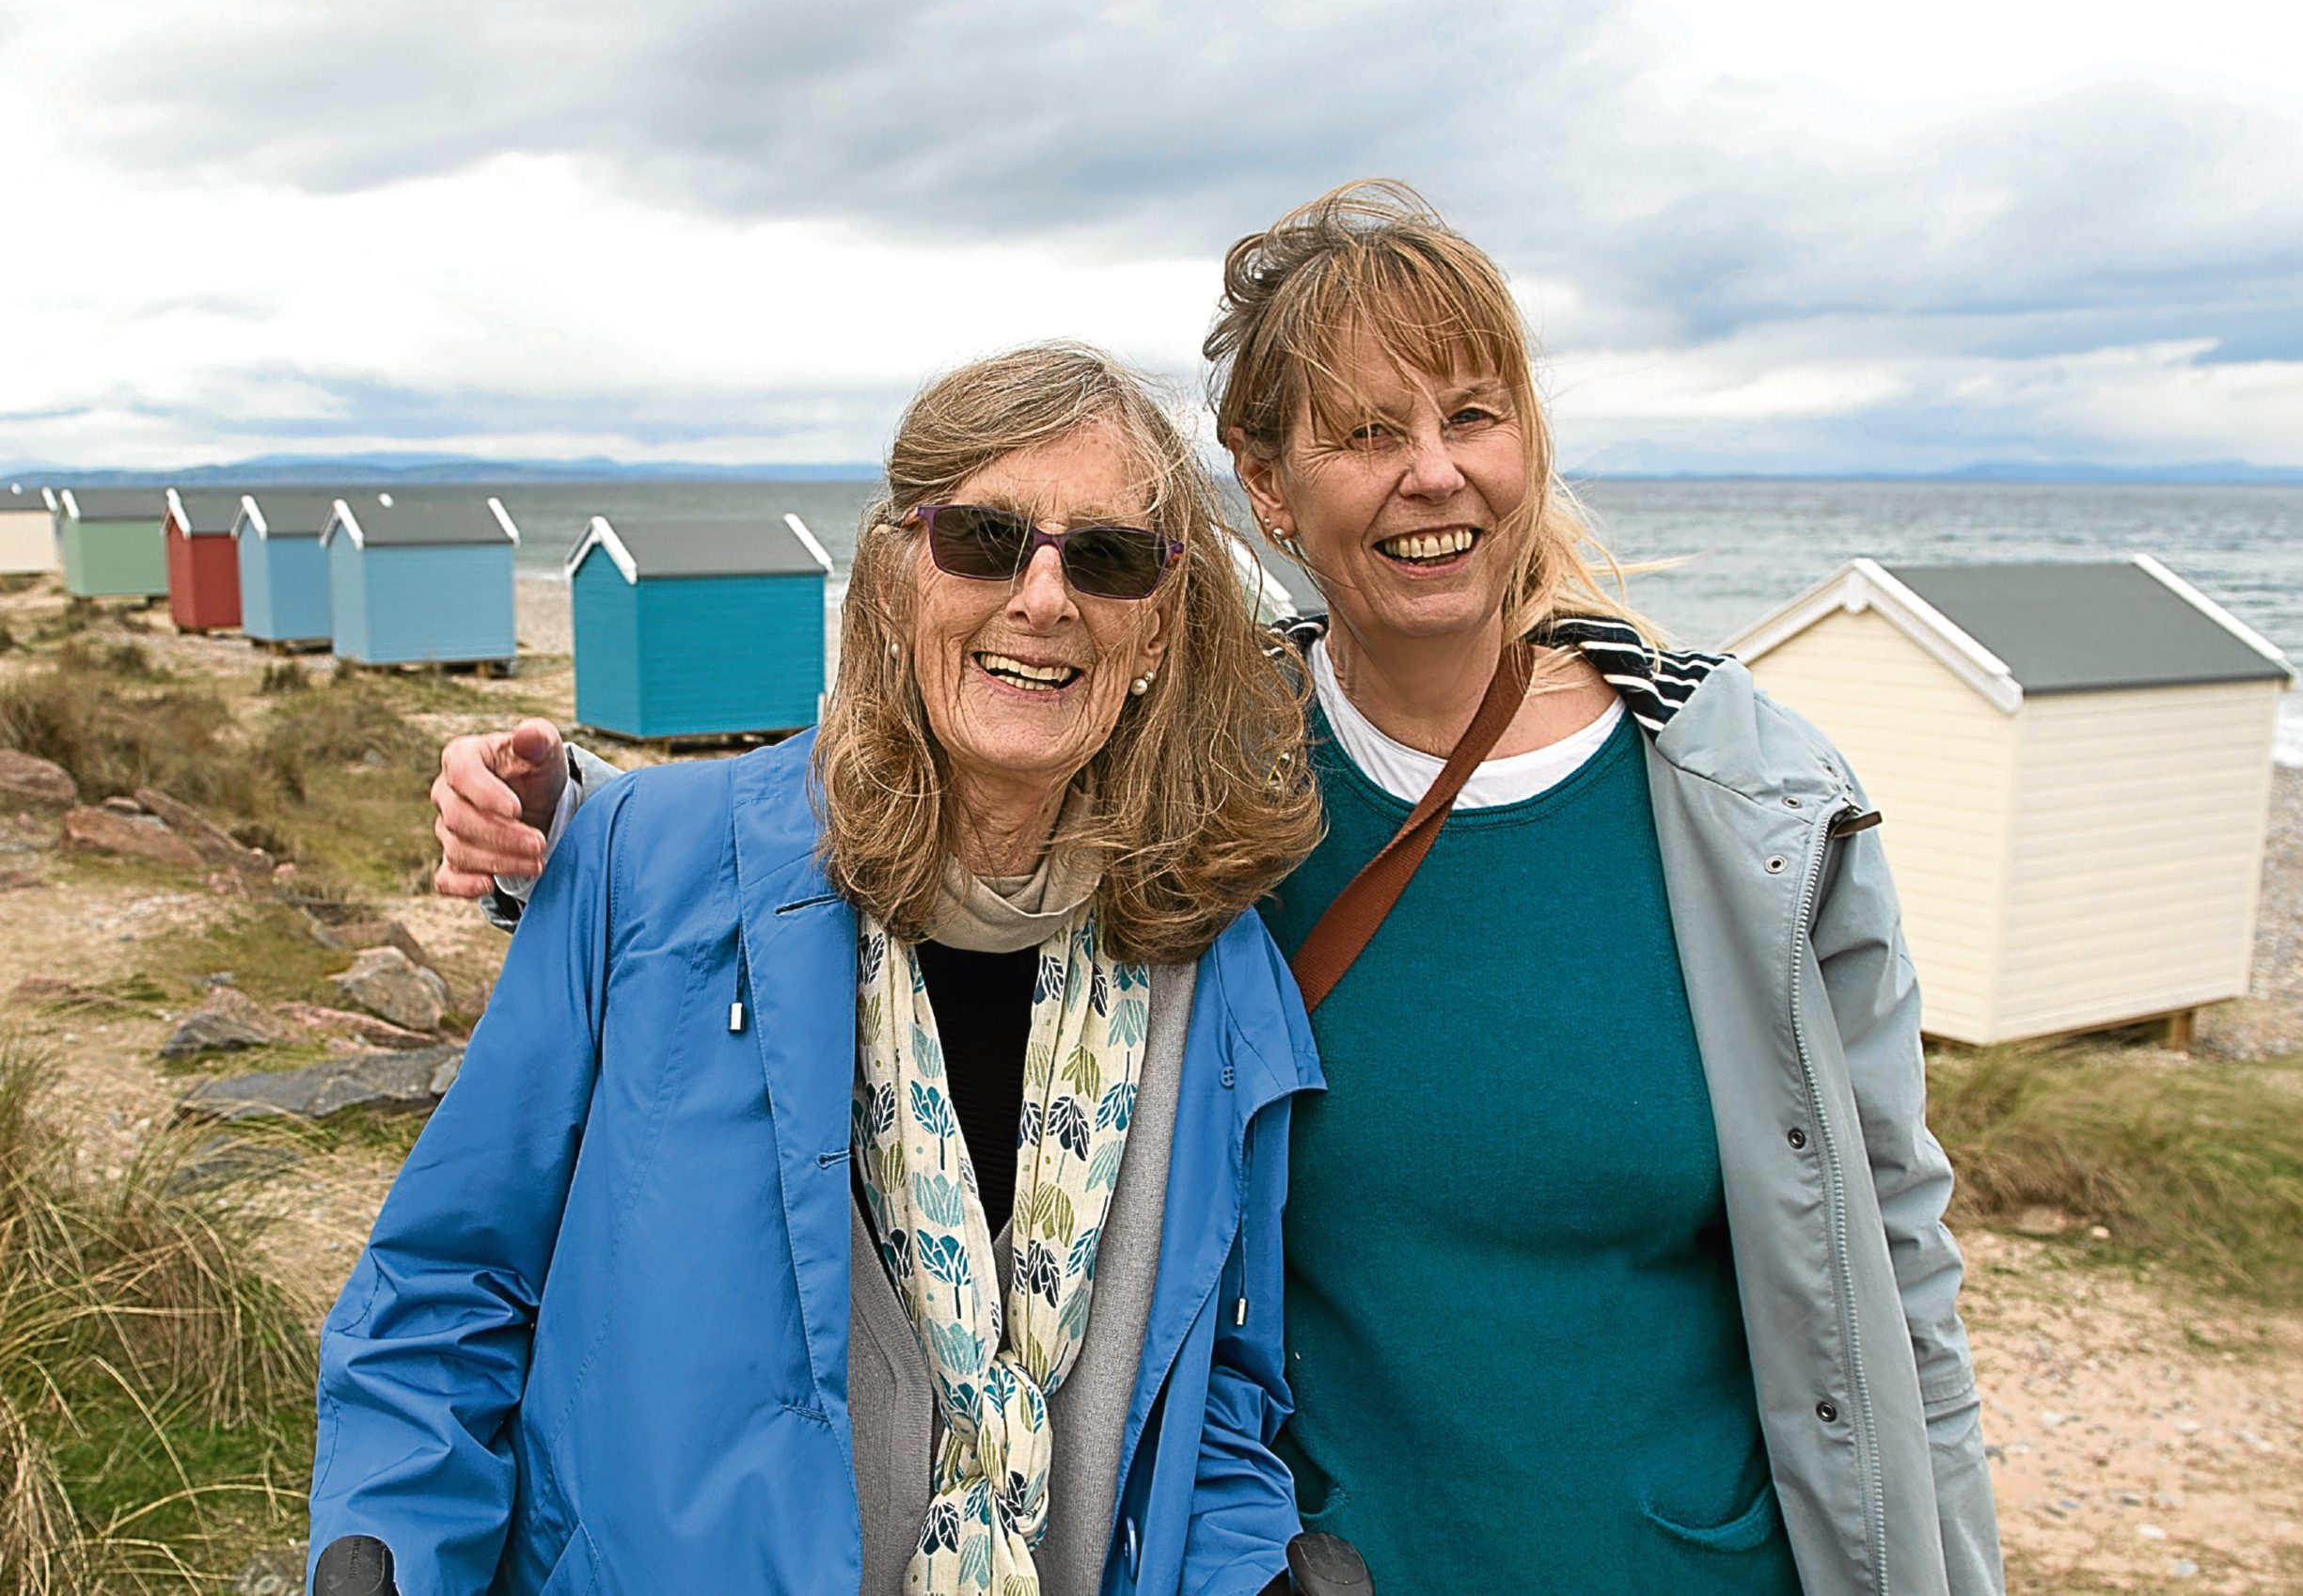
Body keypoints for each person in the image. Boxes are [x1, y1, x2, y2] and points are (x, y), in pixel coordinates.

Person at [434, 182, 2004, 1595]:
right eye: (1366, 431)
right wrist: (568, 834)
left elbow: (1892, 1275)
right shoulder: (1194, 766)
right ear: (1261, 483)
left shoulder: (1742, 813)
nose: (1433, 474)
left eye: (1474, 413)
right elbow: (899, 798)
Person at [313, 344, 1333, 1596]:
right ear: (899, 576)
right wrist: (391, 1555)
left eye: (1108, 557)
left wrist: (1254, 1576)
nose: (1044, 597)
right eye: (985, 538)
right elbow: (445, 1291)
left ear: (1159, 630)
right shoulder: (648, 864)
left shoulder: (1212, 970)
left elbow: (1214, 1404)